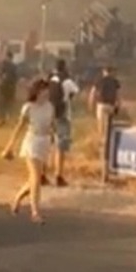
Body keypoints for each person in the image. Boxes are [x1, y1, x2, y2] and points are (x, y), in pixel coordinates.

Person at [1, 78, 55, 224]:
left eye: (47, 90)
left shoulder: (50, 106)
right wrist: (9, 146)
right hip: (32, 141)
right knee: (36, 177)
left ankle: (17, 198)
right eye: (44, 90)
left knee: (35, 179)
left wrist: (52, 142)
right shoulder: (28, 107)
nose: (46, 93)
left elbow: (52, 125)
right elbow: (19, 127)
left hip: (45, 141)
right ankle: (35, 212)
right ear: (37, 92)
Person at [47, 59, 80, 187]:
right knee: (60, 147)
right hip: (63, 116)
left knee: (47, 145)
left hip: (49, 115)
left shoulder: (49, 79)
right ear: (65, 67)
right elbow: (76, 91)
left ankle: (42, 174)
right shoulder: (67, 81)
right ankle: (58, 175)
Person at [89, 65, 122, 142]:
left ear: (104, 71)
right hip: (111, 105)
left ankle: (102, 141)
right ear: (111, 72)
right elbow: (118, 95)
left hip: (101, 105)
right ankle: (109, 140)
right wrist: (118, 105)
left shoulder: (99, 80)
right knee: (109, 125)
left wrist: (91, 103)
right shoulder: (115, 81)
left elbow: (92, 93)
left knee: (101, 125)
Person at [0, 51, 19, 119]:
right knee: (8, 102)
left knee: (2, 102)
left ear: (8, 57)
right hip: (10, 86)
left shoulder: (4, 64)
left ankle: (2, 116)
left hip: (5, 86)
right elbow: (16, 77)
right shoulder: (14, 66)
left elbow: (0, 74)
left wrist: (0, 81)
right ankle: (8, 116)